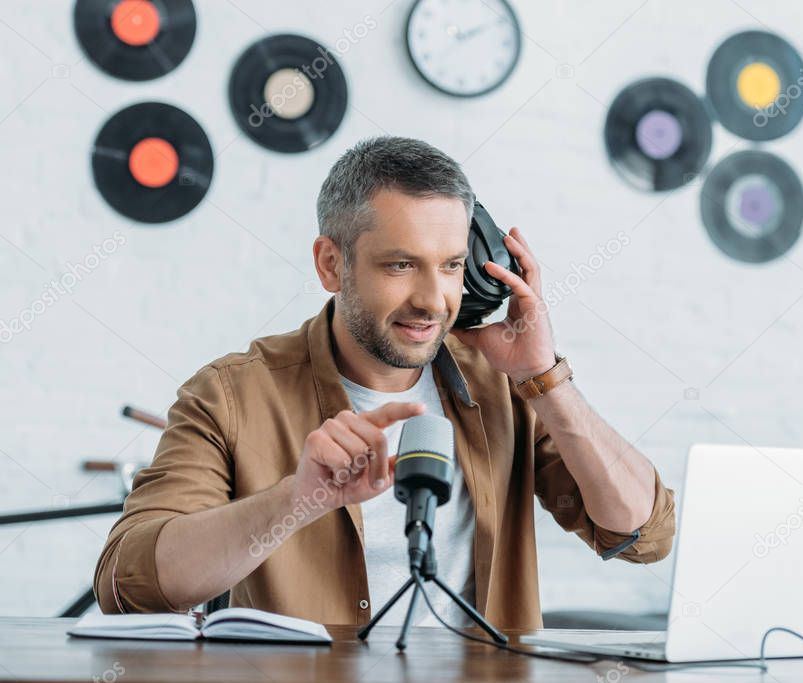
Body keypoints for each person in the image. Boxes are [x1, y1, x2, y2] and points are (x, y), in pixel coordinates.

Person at [93, 136, 676, 629]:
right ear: (330, 264)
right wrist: (295, 500)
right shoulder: (230, 395)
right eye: (400, 265)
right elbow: (127, 585)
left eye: (451, 265)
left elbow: (643, 534)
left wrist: (544, 377)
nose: (432, 300)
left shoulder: (508, 387)